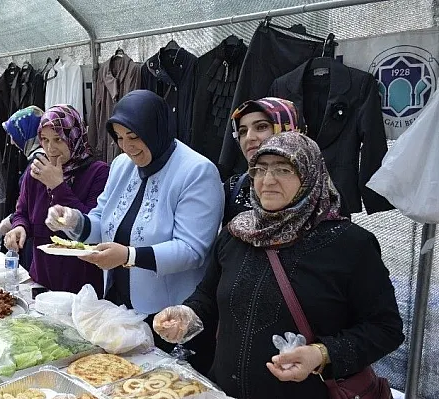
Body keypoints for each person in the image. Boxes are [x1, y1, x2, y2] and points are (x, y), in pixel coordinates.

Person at [153, 133, 404, 399]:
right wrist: (186, 314)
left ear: (310, 175)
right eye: (260, 169)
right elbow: (207, 297)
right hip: (225, 390)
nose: (267, 180)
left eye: (283, 169)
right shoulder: (236, 234)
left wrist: (322, 354)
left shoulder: (349, 245)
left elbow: (385, 328)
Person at [46, 90, 224, 368]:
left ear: (156, 129)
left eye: (134, 136)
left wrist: (128, 256)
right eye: (119, 137)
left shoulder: (197, 171)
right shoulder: (122, 165)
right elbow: (103, 220)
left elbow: (192, 250)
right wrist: (72, 221)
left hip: (168, 315)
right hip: (121, 306)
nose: (127, 146)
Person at [5, 105, 108, 294]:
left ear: (74, 137)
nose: (50, 148)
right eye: (44, 140)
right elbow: (22, 212)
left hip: (82, 283)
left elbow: (92, 225)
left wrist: (58, 186)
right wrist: (19, 227)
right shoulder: (35, 170)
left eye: (58, 139)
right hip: (42, 278)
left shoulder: (98, 173)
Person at [223, 97, 303, 225]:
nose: (249, 137)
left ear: (286, 128)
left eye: (261, 127)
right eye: (242, 131)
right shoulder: (235, 186)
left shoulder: (315, 185)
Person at [0, 106, 46, 270]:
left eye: (14, 135)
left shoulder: (39, 163)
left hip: (35, 239)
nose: (11, 141)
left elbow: (36, 204)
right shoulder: (36, 158)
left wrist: (12, 220)